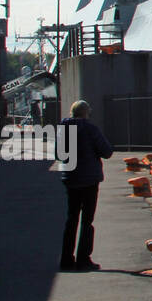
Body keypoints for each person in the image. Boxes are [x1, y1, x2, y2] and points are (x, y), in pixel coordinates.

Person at [60, 100, 113, 271]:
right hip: (89, 179)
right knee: (87, 220)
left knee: (71, 218)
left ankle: (66, 259)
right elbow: (107, 152)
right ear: (86, 113)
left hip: (71, 179)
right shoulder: (91, 129)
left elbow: (58, 153)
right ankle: (84, 259)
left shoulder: (64, 130)